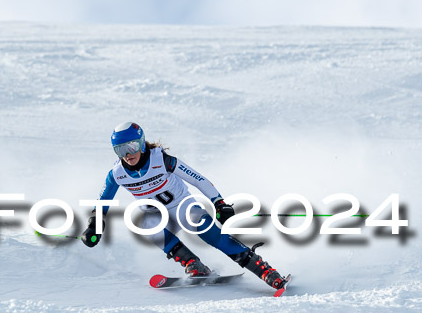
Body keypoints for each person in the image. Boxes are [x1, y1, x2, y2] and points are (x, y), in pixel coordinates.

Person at [81, 122, 289, 292]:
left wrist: (219, 203)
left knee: (208, 232)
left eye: (132, 147)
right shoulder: (117, 174)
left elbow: (198, 179)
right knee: (146, 223)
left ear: (142, 143)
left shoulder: (162, 160)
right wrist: (94, 225)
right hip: (156, 215)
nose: (127, 154)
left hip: (182, 206)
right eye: (120, 150)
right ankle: (193, 264)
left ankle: (265, 271)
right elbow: (103, 201)